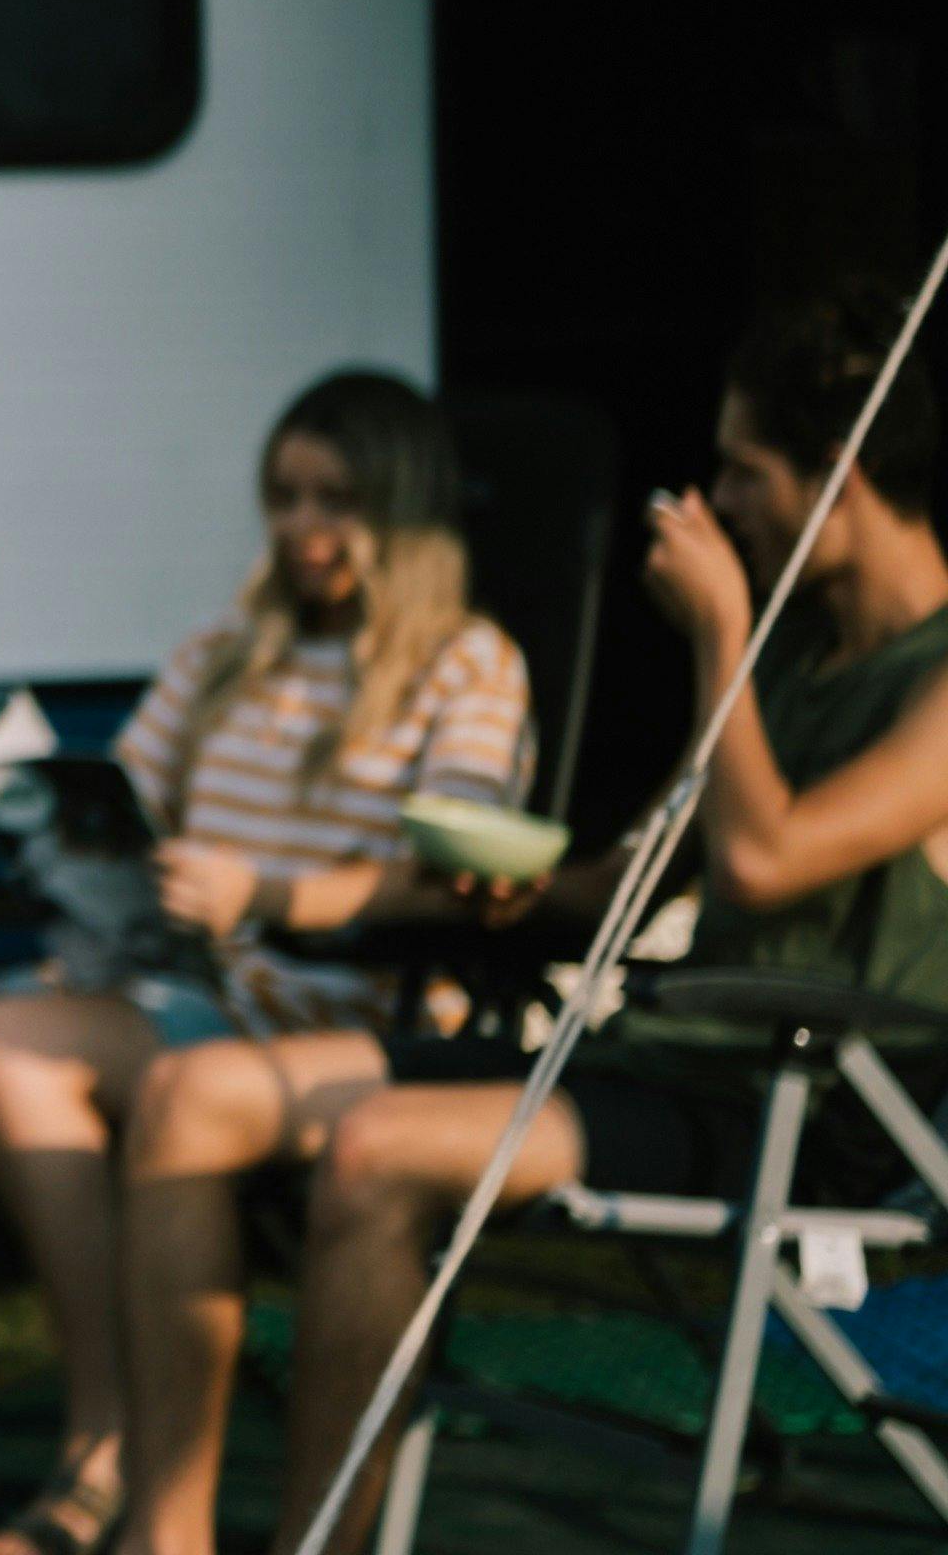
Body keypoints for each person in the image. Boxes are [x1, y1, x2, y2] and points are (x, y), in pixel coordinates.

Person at [0, 372, 535, 1555]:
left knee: (12, 1050)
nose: (300, 528)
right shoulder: (224, 650)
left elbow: (455, 876)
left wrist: (265, 893)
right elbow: (133, 803)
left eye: (334, 501)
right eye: (282, 497)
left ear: (401, 512)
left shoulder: (463, 664)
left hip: (308, 1004)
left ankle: (101, 1450)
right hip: (171, 973)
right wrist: (65, 840)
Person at [277, 291, 948, 1555]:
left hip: (807, 1110)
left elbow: (757, 861)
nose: (717, 503)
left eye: (743, 472)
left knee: (375, 1154)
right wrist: (509, 880)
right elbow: (633, 878)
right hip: (680, 1068)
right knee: (247, 1099)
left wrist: (718, 634)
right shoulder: (801, 660)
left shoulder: (931, 679)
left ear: (838, 478)